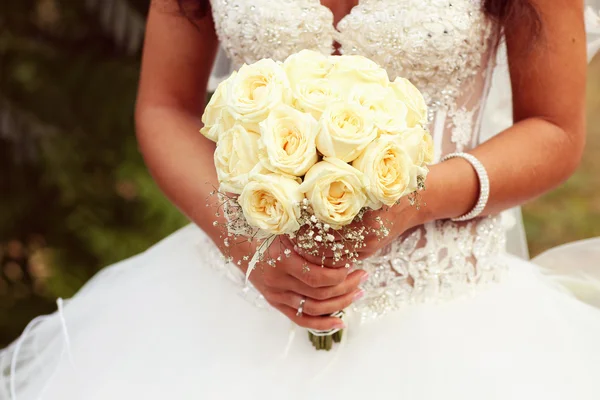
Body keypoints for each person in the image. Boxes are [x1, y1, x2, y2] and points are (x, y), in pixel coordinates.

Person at [2, 1, 600, 399]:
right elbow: (163, 107)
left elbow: (555, 128)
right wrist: (246, 241)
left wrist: (414, 199)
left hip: (447, 307)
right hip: (225, 301)